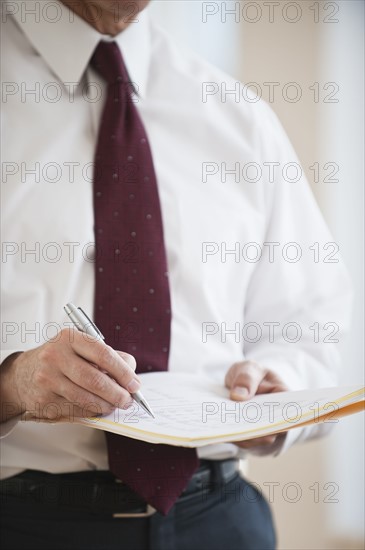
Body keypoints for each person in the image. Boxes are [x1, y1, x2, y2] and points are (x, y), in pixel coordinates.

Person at [0, 1, 352, 549]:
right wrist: (9, 386)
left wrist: (279, 386)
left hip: (220, 519)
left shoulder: (239, 116)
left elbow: (312, 326)